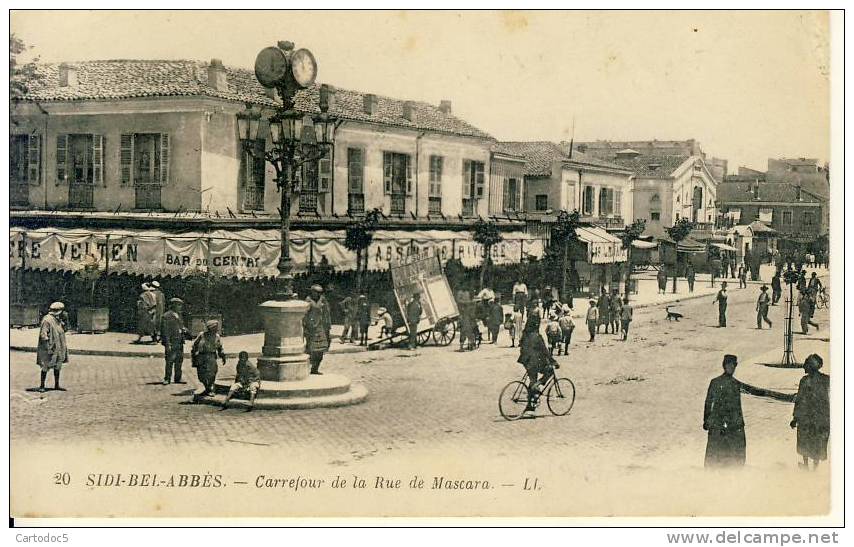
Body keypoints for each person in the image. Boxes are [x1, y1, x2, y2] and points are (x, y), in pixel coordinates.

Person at [703, 354, 794, 468]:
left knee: (734, 458)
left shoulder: (735, 384)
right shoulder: (715, 382)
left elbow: (755, 391)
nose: (732, 368)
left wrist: (785, 397)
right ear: (724, 366)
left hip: (734, 423)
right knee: (717, 456)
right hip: (719, 423)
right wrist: (706, 420)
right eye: (729, 365)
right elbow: (708, 401)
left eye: (734, 365)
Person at [790, 354, 830, 470]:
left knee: (805, 441)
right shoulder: (826, 380)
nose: (804, 367)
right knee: (817, 443)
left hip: (808, 418)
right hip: (821, 418)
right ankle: (814, 467)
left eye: (806, 364)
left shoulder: (805, 381)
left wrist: (795, 418)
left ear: (811, 366)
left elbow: (800, 401)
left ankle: (806, 466)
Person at [517, 314, 559, 415]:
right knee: (549, 371)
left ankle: (530, 405)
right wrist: (553, 361)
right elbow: (545, 352)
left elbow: (522, 346)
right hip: (534, 361)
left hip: (525, 361)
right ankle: (538, 385)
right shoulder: (537, 337)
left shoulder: (525, 334)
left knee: (532, 381)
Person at [36, 302, 69, 393]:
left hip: (58, 346)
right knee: (45, 366)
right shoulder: (47, 320)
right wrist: (48, 347)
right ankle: (42, 385)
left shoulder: (58, 320)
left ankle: (56, 385)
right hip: (49, 347)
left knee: (58, 365)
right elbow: (43, 335)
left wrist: (65, 321)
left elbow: (64, 330)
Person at [191, 320, 226, 398]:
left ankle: (210, 389)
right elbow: (194, 345)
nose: (215, 329)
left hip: (211, 356)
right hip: (201, 356)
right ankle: (207, 388)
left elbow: (220, 347)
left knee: (212, 373)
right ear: (209, 328)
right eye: (214, 328)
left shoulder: (217, 336)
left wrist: (223, 356)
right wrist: (194, 356)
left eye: (216, 328)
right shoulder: (202, 335)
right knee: (201, 375)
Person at [160, 297, 190, 385]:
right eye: (178, 305)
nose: (180, 307)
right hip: (172, 341)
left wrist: (184, 330)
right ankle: (167, 378)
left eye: (180, 305)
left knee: (179, 360)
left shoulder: (178, 315)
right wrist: (167, 343)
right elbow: (165, 331)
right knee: (169, 360)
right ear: (173, 305)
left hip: (180, 341)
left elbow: (180, 326)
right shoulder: (166, 316)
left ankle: (178, 378)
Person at [304, 285, 331, 374]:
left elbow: (327, 312)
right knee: (311, 350)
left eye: (320, 293)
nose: (318, 294)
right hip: (310, 328)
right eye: (316, 292)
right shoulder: (308, 301)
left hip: (321, 327)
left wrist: (328, 325)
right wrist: (305, 327)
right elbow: (304, 315)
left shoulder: (322, 300)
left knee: (321, 350)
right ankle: (307, 369)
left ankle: (315, 369)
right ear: (312, 292)